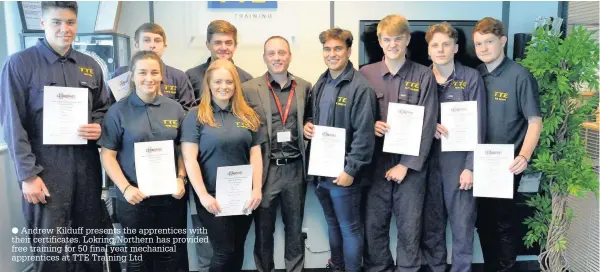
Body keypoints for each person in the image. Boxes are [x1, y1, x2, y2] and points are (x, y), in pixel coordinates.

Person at [0, 2, 111, 271]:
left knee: (90, 245)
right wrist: (28, 176)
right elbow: (13, 124)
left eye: (70, 22)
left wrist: (98, 125)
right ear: (42, 23)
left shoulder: (89, 66)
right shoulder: (20, 64)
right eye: (57, 22)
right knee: (51, 249)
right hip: (44, 170)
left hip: (86, 167)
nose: (65, 29)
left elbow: (105, 108)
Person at [359, 14, 438, 272]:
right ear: (380, 42)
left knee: (410, 226)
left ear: (406, 40)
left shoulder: (424, 75)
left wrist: (406, 165)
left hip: (411, 165)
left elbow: (428, 125)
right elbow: (356, 118)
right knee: (374, 225)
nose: (392, 44)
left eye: (397, 39)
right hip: (375, 163)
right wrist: (370, 127)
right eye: (386, 39)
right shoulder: (365, 74)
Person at [99, 50, 188, 272]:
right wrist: (126, 188)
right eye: (142, 72)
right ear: (132, 75)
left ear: (161, 76)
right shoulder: (117, 111)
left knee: (169, 256)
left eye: (154, 72)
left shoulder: (175, 109)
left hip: (170, 198)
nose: (149, 78)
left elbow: (183, 149)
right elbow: (107, 155)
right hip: (134, 199)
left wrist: (181, 178)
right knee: (138, 259)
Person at [472, 17, 542, 272]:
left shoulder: (520, 75)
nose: (484, 48)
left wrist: (523, 156)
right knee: (482, 221)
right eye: (479, 43)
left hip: (506, 165)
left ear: (502, 41)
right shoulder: (475, 74)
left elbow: (535, 121)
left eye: (489, 41)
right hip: (477, 162)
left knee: (504, 223)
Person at [304, 27, 376, 272]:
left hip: (344, 176)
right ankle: (338, 267)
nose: (331, 54)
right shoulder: (322, 81)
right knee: (332, 226)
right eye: (327, 49)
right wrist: (308, 127)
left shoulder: (360, 87)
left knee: (350, 229)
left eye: (337, 48)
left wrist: (351, 170)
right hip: (321, 175)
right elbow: (313, 117)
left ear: (348, 50)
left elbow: (365, 136)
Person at [181, 59, 264, 271]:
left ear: (236, 85)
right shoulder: (195, 116)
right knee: (224, 251)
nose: (223, 86)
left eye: (229, 82)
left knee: (237, 249)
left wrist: (256, 189)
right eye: (218, 81)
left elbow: (255, 153)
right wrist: (202, 195)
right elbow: (190, 159)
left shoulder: (248, 115)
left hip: (242, 195)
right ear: (208, 84)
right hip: (212, 197)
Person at [420, 22, 486, 272]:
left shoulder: (471, 77)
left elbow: (479, 125)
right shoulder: (421, 78)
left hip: (459, 165)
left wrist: (471, 167)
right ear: (428, 50)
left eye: (446, 44)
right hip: (426, 165)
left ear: (456, 48)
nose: (440, 49)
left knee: (462, 227)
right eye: (435, 45)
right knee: (432, 228)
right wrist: (429, 126)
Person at [243, 36, 311, 272]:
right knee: (263, 230)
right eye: (271, 53)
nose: (277, 58)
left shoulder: (304, 86)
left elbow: (310, 117)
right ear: (264, 58)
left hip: (294, 168)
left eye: (282, 53)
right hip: (265, 170)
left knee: (294, 228)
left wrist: (308, 125)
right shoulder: (249, 88)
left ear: (290, 55)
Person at [109, 23, 196, 110]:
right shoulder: (120, 74)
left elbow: (187, 111)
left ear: (164, 46)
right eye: (146, 40)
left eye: (157, 41)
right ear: (136, 45)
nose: (152, 45)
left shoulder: (178, 77)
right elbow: (110, 109)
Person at [186, 20, 253, 101]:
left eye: (228, 43)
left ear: (235, 46)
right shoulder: (191, 77)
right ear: (208, 45)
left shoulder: (246, 80)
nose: (223, 48)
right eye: (218, 43)